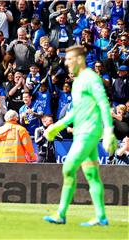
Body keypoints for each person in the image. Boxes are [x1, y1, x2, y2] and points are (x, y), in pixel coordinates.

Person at [43, 45, 117, 226]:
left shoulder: (91, 78)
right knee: (92, 175)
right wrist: (56, 126)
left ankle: (61, 214)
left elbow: (103, 103)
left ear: (78, 60)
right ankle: (101, 216)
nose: (66, 63)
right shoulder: (77, 81)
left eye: (69, 59)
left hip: (89, 132)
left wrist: (108, 131)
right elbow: (75, 112)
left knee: (68, 168)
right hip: (82, 131)